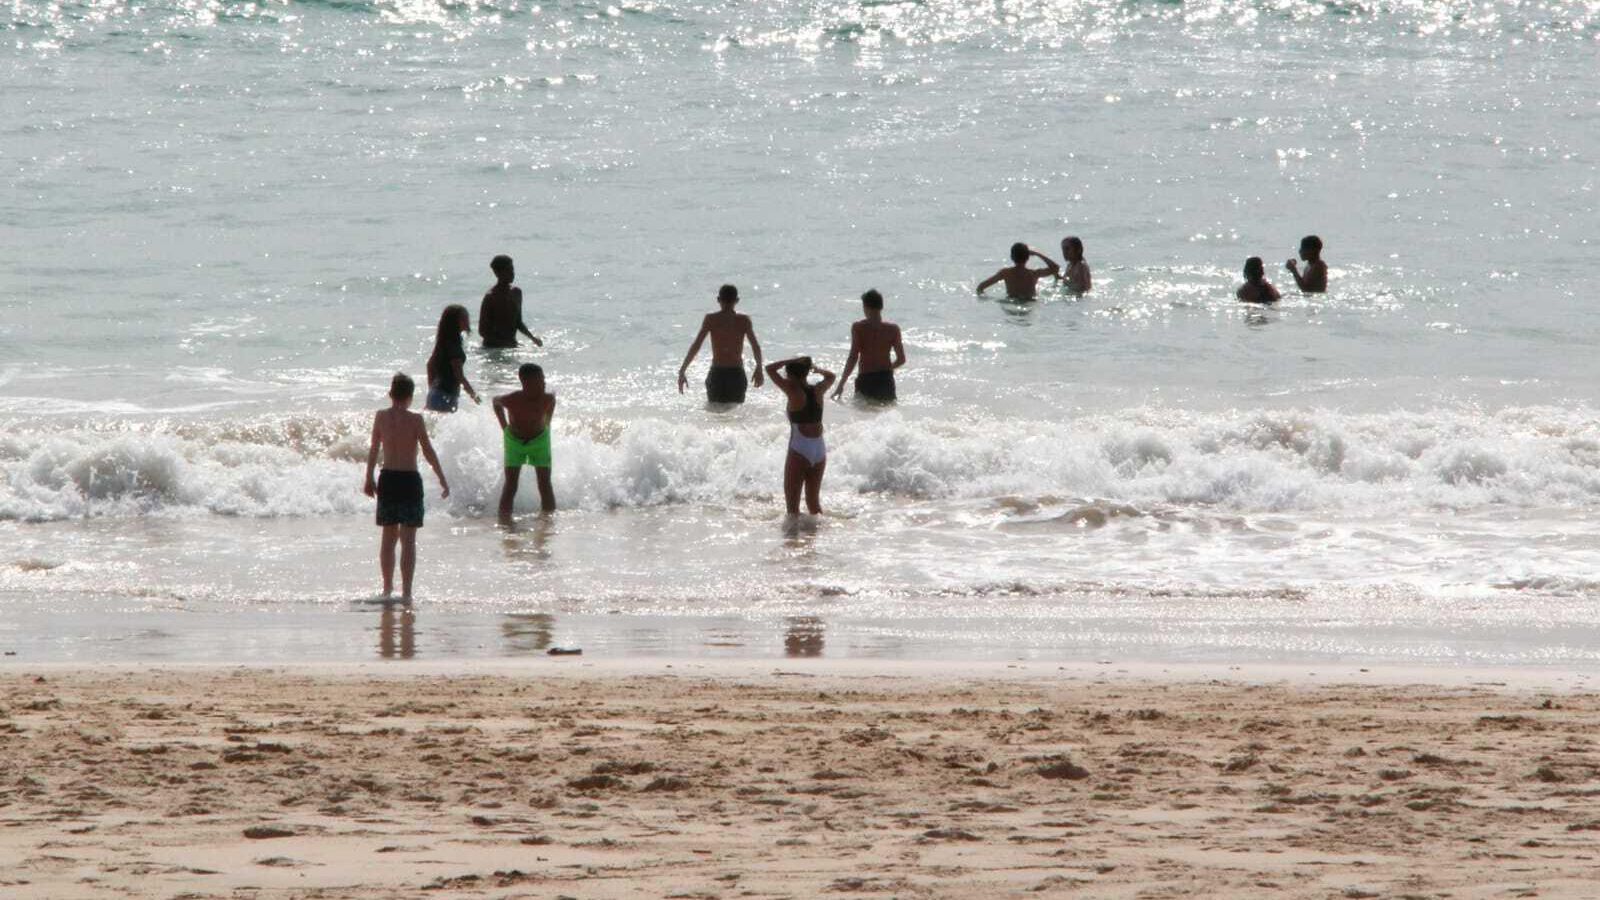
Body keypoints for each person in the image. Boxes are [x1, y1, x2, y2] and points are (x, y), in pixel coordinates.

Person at [363, 373, 450, 602]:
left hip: (389, 479)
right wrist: (441, 477)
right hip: (410, 480)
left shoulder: (381, 417)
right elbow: (428, 451)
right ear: (411, 396)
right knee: (408, 540)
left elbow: (374, 450)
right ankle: (408, 593)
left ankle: (387, 589)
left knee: (388, 538)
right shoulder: (416, 420)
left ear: (391, 394)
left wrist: (368, 477)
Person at [765, 356, 836, 516]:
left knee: (792, 509)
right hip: (819, 450)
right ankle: (817, 538)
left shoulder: (793, 391)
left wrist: (790, 360)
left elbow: (769, 369)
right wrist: (816, 369)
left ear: (790, 375)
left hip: (799, 449)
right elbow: (831, 376)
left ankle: (793, 541)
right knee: (814, 505)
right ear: (805, 374)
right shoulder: (818, 390)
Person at [677, 284, 765, 404]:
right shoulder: (743, 320)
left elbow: (696, 345)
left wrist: (683, 370)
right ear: (737, 300)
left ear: (718, 300)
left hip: (717, 373)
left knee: (715, 414)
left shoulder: (711, 319)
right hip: (736, 373)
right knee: (735, 414)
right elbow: (755, 346)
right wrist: (759, 367)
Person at [493, 362, 557, 520]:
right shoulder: (512, 399)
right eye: (540, 380)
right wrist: (504, 427)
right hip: (514, 442)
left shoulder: (547, 398)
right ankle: (504, 521)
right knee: (511, 485)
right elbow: (496, 402)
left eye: (544, 379)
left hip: (540, 441)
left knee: (545, 484)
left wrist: (547, 424)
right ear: (525, 383)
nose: (544, 383)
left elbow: (551, 406)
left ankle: (548, 522)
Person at [832, 289, 906, 403]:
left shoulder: (858, 328)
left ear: (865, 307)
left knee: (863, 415)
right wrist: (887, 369)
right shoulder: (893, 329)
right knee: (887, 415)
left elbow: (853, 357)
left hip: (866, 379)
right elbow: (901, 360)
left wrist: (841, 384)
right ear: (881, 307)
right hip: (885, 380)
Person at [479, 255, 544, 349]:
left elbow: (518, 322)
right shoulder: (490, 297)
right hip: (492, 348)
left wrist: (533, 338)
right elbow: (482, 331)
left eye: (512, 270)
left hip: (511, 345)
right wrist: (503, 344)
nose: (512, 273)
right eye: (508, 270)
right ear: (497, 273)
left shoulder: (517, 292)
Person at [425, 304, 480, 412]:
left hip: (436, 395)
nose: (467, 321)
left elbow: (430, 365)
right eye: (463, 318)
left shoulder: (444, 341)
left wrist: (432, 390)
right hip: (446, 396)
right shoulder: (453, 345)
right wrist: (474, 395)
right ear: (454, 322)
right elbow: (459, 375)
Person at [977, 243, 1060, 300]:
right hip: (1030, 302)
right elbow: (1055, 268)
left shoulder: (1005, 273)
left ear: (1012, 257)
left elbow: (980, 287)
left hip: (1011, 301)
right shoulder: (1033, 274)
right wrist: (1037, 254)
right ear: (1028, 258)